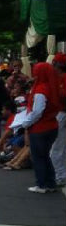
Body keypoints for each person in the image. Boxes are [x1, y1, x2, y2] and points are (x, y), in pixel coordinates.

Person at [16, 62, 61, 193]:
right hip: (52, 125)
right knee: (46, 156)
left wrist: (25, 123)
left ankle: (41, 184)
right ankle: (50, 183)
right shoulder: (52, 87)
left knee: (38, 157)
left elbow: (37, 111)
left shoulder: (40, 89)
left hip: (40, 127)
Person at [49, 53, 66, 187]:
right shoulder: (58, 78)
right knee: (60, 147)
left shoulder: (63, 78)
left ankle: (60, 176)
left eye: (54, 63)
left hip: (62, 114)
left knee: (56, 148)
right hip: (60, 113)